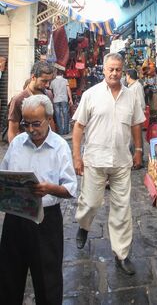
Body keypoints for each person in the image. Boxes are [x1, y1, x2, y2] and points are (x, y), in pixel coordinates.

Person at [0, 95, 77, 305]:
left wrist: (50, 189)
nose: (31, 129)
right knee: (8, 276)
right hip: (15, 219)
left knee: (47, 280)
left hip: (45, 222)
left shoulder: (60, 146)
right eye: (26, 124)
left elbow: (71, 188)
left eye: (36, 123)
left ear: (49, 119)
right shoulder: (17, 143)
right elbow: (4, 173)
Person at [72, 53, 145, 275]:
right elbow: (78, 127)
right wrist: (77, 156)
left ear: (123, 71)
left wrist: (139, 149)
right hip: (95, 159)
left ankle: (121, 254)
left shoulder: (131, 96)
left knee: (122, 208)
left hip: (121, 161)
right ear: (104, 70)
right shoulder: (90, 95)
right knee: (91, 203)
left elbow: (136, 125)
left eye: (118, 70)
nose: (114, 73)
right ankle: (84, 226)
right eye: (110, 69)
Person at [7, 60, 56, 143]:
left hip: (46, 147)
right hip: (26, 147)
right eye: (44, 81)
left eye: (49, 81)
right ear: (33, 77)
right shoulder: (18, 100)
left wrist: (54, 143)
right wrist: (14, 151)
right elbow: (12, 131)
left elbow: (50, 121)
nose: (47, 85)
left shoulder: (49, 95)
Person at [50, 69, 73, 135]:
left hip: (56, 100)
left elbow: (51, 92)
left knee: (58, 115)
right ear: (62, 74)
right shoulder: (65, 80)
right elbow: (68, 90)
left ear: (56, 74)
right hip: (64, 99)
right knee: (65, 114)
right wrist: (70, 99)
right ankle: (66, 131)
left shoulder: (53, 82)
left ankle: (60, 131)